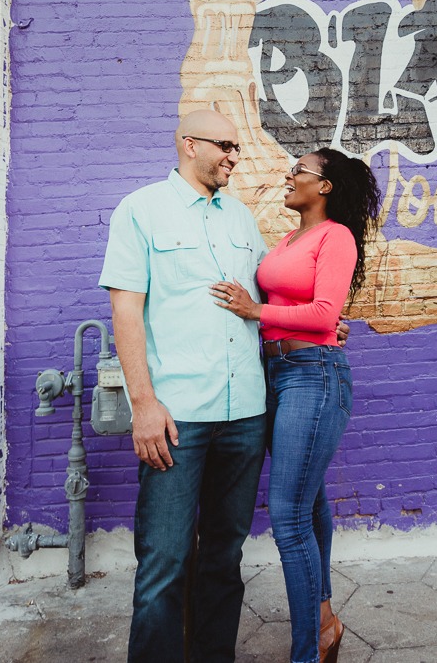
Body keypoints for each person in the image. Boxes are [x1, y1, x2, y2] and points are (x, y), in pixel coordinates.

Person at [100, 108, 269, 663]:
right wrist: (143, 405)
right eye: (225, 145)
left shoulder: (241, 219)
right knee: (165, 562)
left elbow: (262, 303)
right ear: (188, 143)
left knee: (223, 557)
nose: (234, 157)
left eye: (237, 148)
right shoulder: (141, 211)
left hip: (244, 412)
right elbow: (126, 314)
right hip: (178, 417)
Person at [212, 147, 381, 663]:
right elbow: (300, 309)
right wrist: (272, 318)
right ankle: (325, 620)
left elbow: (327, 311)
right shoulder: (290, 238)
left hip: (313, 376)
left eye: (299, 172)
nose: (289, 177)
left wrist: (253, 308)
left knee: (287, 517)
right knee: (308, 503)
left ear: (324, 187)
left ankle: (308, 651)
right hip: (277, 373)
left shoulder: (337, 236)